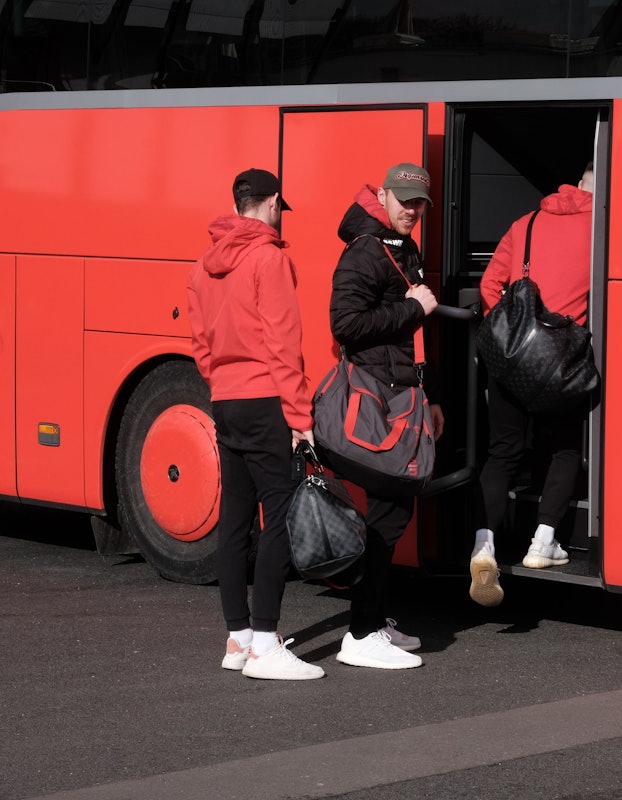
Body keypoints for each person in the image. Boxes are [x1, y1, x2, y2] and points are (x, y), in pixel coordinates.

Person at [187, 168, 323, 680]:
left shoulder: (202, 266)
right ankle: (266, 643)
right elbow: (283, 344)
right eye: (279, 208)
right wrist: (300, 416)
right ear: (271, 203)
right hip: (265, 398)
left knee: (235, 518)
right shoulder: (270, 258)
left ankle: (238, 638)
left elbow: (200, 344)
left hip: (225, 400)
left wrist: (223, 382)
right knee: (280, 516)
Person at [329, 162, 444, 669]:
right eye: (403, 200)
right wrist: (412, 308)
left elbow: (412, 335)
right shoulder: (364, 251)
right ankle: (359, 634)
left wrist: (431, 396)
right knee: (391, 510)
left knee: (394, 509)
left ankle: (372, 621)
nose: (412, 210)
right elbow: (345, 324)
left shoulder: (402, 247)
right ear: (382, 196)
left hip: (401, 394)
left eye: (419, 203)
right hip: (376, 395)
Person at [469, 163, 595, 607]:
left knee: (503, 451)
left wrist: (513, 330)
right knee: (564, 448)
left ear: (576, 182)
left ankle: (484, 545)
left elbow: (490, 285)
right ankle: (543, 542)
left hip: (513, 358)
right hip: (560, 362)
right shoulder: (603, 228)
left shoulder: (527, 222)